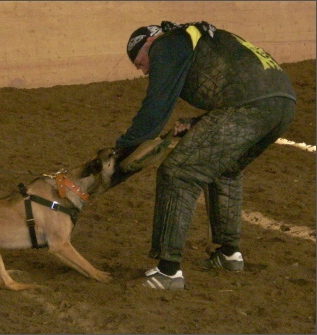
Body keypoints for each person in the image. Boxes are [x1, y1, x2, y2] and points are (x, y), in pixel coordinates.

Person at [113, 21, 296, 290]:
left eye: (140, 62)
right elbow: (237, 81)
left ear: (149, 43)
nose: (144, 70)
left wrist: (124, 148)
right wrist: (198, 122)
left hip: (248, 105)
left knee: (177, 173)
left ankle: (168, 272)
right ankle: (228, 254)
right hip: (283, 103)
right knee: (226, 169)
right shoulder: (196, 37)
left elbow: (156, 106)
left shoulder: (167, 44)